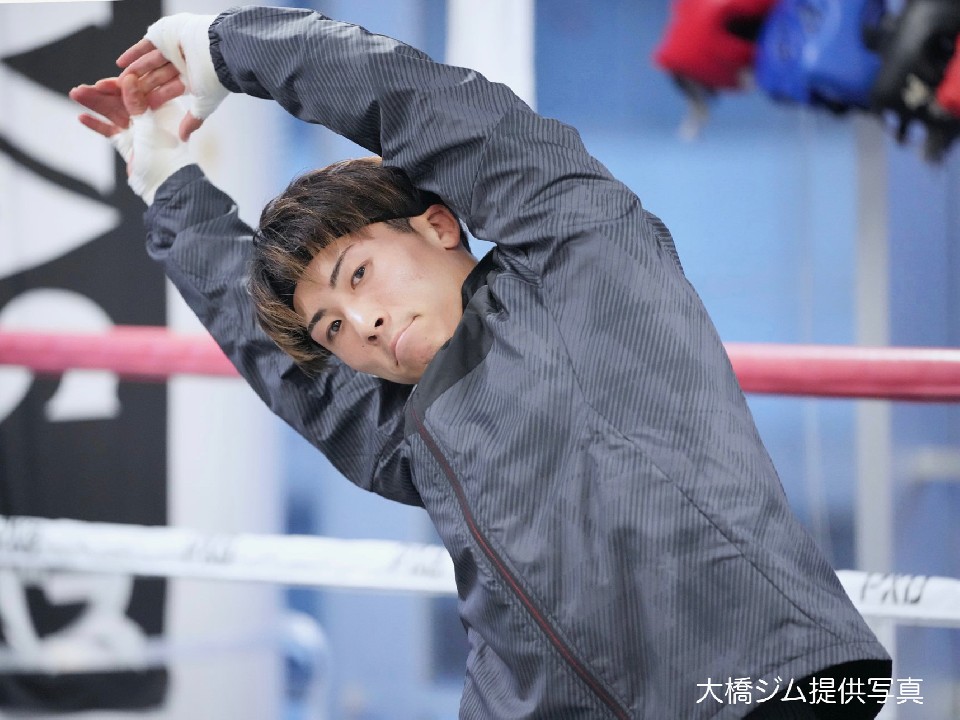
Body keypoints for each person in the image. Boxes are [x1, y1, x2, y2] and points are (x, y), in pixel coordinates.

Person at [71, 7, 892, 718]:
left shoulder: (580, 255)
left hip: (766, 683)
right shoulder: (409, 429)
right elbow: (282, 362)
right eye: (332, 328)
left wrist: (229, 47)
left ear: (438, 225)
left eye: (359, 274)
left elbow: (434, 110)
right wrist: (166, 183)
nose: (363, 323)